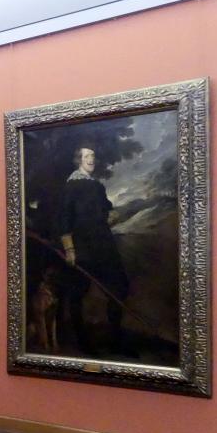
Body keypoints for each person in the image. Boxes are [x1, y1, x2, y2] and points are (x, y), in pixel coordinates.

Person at [58, 147, 129, 355]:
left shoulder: (97, 186)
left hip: (104, 244)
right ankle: (82, 342)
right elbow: (64, 219)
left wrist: (111, 215)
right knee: (78, 292)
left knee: (119, 288)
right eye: (87, 156)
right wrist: (70, 249)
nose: (91, 159)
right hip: (83, 247)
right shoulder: (71, 186)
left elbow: (107, 209)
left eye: (93, 156)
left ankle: (116, 340)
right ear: (78, 160)